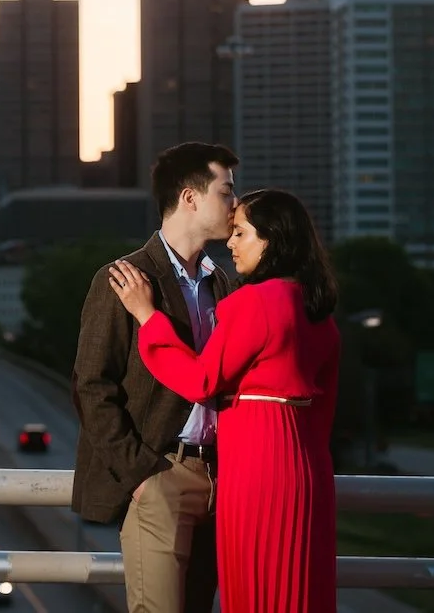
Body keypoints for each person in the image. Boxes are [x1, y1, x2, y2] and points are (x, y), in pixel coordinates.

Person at [107, 188, 340, 613]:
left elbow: (200, 380)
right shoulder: (318, 312)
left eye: (241, 233)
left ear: (272, 240)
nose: (230, 243)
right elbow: (323, 417)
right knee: (299, 592)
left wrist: (147, 316)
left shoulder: (253, 302)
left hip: (257, 468)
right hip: (308, 474)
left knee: (256, 590)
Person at [71, 142, 240, 613]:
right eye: (226, 192)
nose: (235, 204)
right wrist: (142, 474)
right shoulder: (123, 278)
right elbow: (91, 386)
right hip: (162, 474)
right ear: (190, 198)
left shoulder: (222, 283)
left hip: (219, 480)